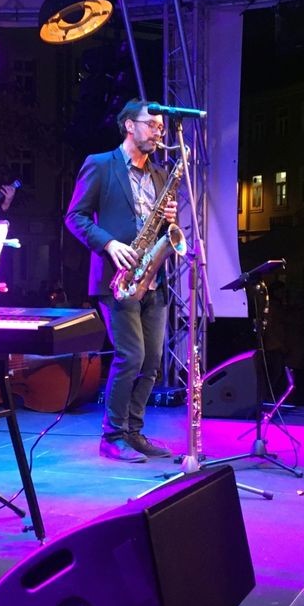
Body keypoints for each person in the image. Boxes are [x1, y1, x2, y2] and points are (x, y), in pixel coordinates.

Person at [65, 98, 177, 462]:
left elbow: (161, 228)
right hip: (119, 278)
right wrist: (109, 243)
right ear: (130, 125)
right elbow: (75, 217)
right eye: (152, 125)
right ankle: (112, 436)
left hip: (152, 279)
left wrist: (169, 221)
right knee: (131, 356)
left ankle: (134, 431)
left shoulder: (161, 174)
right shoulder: (100, 165)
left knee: (152, 361)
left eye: (161, 128)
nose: (158, 132)